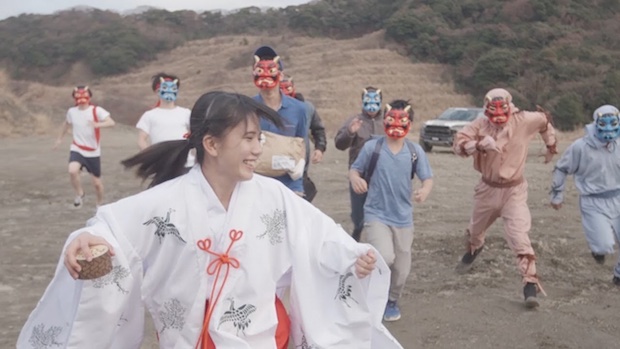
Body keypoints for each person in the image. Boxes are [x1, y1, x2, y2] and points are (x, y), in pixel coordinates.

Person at [18, 92, 403, 349]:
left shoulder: (272, 196)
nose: (257, 149)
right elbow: (114, 227)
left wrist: (353, 256)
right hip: (192, 338)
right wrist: (85, 238)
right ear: (212, 144)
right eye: (249, 139)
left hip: (261, 335)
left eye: (260, 139)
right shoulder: (165, 202)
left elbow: (317, 234)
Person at [453, 88, 558, 308]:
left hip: (514, 190)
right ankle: (475, 247)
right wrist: (479, 144)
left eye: (503, 113)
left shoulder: (524, 120)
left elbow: (545, 121)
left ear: (510, 108)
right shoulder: (480, 124)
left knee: (519, 236)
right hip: (487, 188)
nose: (499, 120)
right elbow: (458, 144)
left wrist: (551, 146)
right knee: (475, 231)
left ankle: (530, 285)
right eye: (493, 114)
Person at [349, 100, 434, 322]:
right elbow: (355, 170)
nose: (395, 125)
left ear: (411, 124)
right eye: (391, 120)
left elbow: (427, 179)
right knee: (384, 256)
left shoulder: (415, 152)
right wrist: (356, 179)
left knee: (402, 269)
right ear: (384, 121)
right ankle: (369, 294)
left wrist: (424, 191)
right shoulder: (372, 147)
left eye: (402, 121)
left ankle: (392, 299)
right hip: (376, 214)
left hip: (403, 218)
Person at [550, 104, 620, 285]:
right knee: (604, 244)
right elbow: (561, 168)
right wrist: (557, 194)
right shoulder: (580, 147)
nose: (608, 132)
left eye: (613, 125)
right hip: (593, 200)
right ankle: (598, 250)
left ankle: (618, 275)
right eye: (603, 126)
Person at [251, 46, 308, 196]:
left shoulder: (299, 109)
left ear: (280, 75)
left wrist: (301, 165)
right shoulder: (247, 108)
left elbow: (301, 142)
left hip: (290, 184)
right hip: (256, 183)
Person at [335, 87, 384, 241]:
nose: (371, 106)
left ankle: (378, 239)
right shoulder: (355, 120)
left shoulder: (388, 122)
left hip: (381, 175)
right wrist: (350, 132)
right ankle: (357, 229)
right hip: (359, 175)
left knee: (380, 211)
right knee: (358, 212)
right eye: (368, 101)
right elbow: (339, 144)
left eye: (375, 101)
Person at [53, 86, 115, 207]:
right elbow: (66, 125)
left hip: (93, 151)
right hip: (77, 147)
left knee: (97, 183)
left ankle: (99, 204)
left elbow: (111, 122)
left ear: (89, 97)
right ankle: (79, 193)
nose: (81, 99)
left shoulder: (97, 110)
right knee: (72, 170)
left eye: (84, 96)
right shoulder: (72, 111)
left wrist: (98, 124)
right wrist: (59, 139)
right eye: (78, 96)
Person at [280, 74, 327, 202]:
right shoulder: (269, 107)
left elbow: (318, 129)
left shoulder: (306, 108)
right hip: (273, 165)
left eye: (287, 88)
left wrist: (320, 148)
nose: (284, 92)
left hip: (300, 165)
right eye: (281, 88)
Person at [136, 72, 194, 167]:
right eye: (165, 88)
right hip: (161, 165)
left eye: (173, 88)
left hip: (185, 163)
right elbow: (141, 139)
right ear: (157, 91)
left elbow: (195, 134)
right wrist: (152, 156)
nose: (169, 91)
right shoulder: (149, 115)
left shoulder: (186, 113)